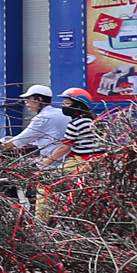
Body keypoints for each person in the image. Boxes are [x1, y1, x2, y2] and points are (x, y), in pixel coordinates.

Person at [35, 88, 108, 220]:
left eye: (67, 103)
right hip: (99, 162)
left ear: (79, 106)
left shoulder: (76, 123)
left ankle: (40, 221)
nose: (63, 106)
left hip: (80, 162)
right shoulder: (96, 121)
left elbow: (65, 147)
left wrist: (47, 161)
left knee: (45, 185)